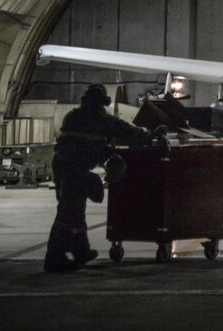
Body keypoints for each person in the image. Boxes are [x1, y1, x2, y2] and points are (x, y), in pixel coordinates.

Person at [44, 84, 151, 272]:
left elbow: (91, 142)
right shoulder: (98, 120)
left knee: (74, 210)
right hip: (73, 169)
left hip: (64, 167)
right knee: (68, 213)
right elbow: (125, 130)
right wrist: (149, 134)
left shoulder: (74, 116)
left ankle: (81, 251)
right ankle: (54, 258)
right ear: (99, 103)